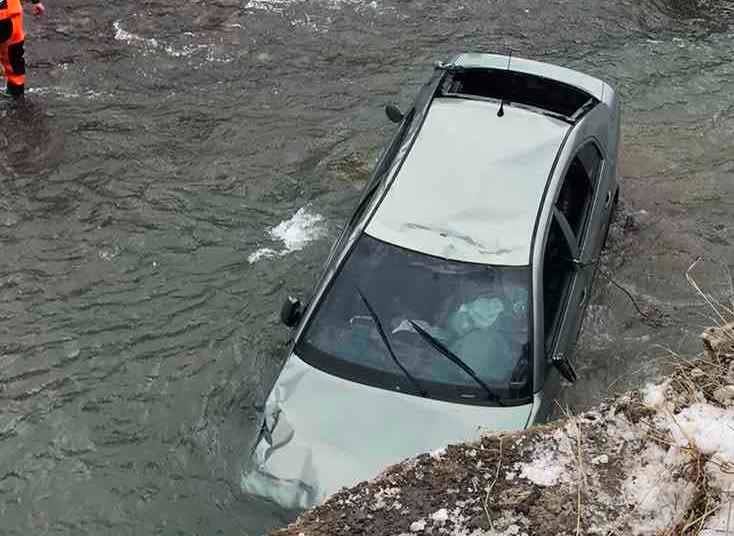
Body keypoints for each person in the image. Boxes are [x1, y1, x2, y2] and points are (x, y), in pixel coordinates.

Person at [0, 0, 44, 98]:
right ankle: (16, 95)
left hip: (8, 16)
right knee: (14, 60)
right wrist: (36, 2)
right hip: (10, 15)